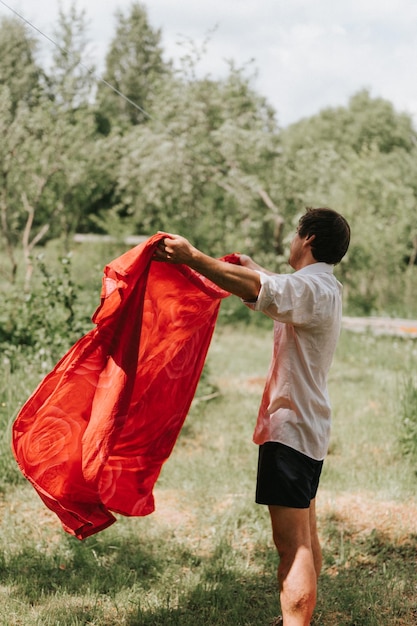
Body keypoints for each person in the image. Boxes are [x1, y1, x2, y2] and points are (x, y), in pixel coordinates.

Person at [153, 207, 350, 626]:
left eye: (297, 233)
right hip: (306, 428)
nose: (292, 241)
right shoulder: (320, 287)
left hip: (291, 433)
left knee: (292, 545)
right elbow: (276, 289)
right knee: (306, 535)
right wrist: (248, 267)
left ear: (309, 239)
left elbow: (273, 291)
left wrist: (192, 257)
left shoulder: (311, 290)